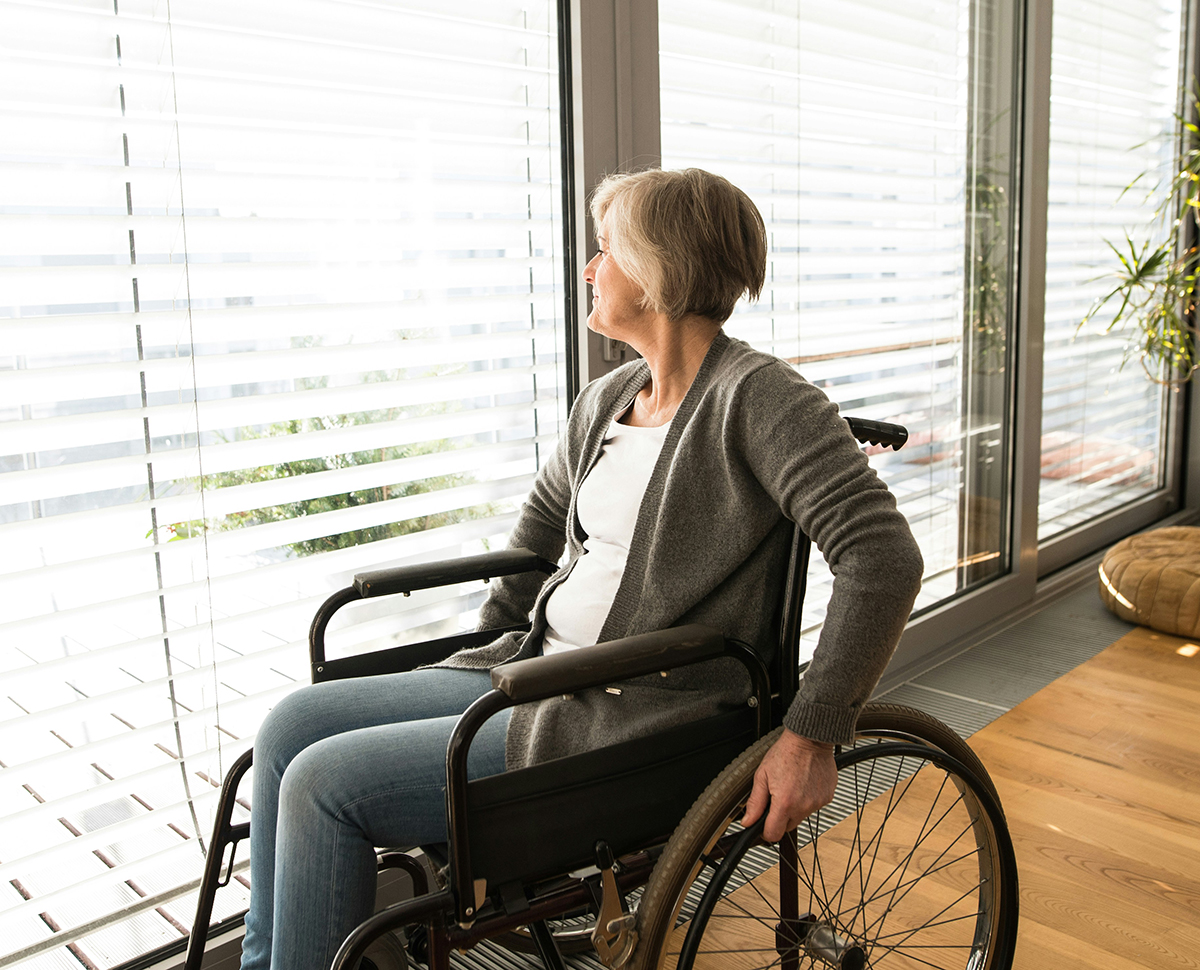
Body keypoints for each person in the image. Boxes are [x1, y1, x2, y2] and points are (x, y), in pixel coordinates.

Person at [238, 168, 924, 970]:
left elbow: (883, 559)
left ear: (660, 269)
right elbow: (535, 544)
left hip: (633, 714)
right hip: (536, 675)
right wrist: (486, 662)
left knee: (322, 786)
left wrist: (811, 735)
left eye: (607, 249)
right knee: (288, 727)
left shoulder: (763, 400)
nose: (591, 269)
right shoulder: (607, 398)